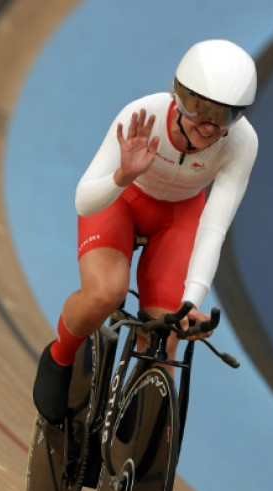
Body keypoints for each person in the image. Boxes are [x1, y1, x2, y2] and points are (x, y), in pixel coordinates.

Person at [33, 39, 259, 425]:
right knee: (106, 292)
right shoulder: (143, 114)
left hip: (179, 218)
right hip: (122, 200)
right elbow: (85, 202)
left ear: (237, 117)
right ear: (179, 95)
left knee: (166, 334)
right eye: (198, 108)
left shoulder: (242, 144)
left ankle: (135, 438)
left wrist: (191, 301)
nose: (207, 125)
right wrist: (123, 176)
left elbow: (214, 226)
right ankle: (59, 357)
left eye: (222, 117)